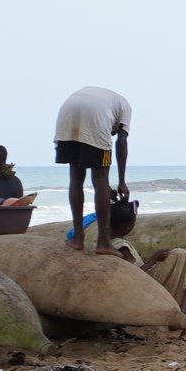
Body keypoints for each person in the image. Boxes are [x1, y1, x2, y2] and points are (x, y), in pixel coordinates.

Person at [53, 85, 131, 255]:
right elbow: (121, 143)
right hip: (95, 115)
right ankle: (103, 242)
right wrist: (122, 181)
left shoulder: (109, 99)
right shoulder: (125, 107)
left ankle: (78, 238)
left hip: (67, 113)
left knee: (75, 177)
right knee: (101, 179)